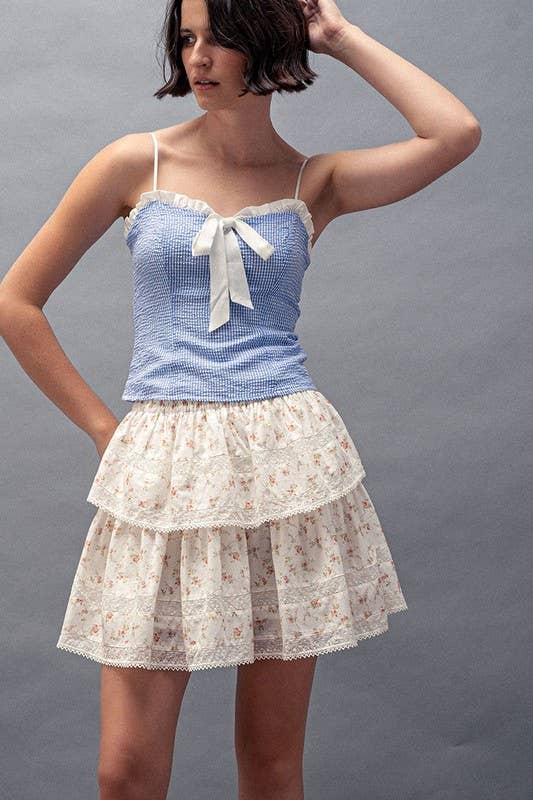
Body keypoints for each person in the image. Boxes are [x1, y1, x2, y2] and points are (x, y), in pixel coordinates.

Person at [0, 0, 481, 798]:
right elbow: (15, 302)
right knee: (125, 772)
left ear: (266, 40)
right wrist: (101, 427)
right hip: (163, 464)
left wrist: (338, 37)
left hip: (287, 463)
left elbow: (454, 133)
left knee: (270, 766)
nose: (197, 56)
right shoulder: (135, 162)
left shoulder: (315, 181)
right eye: (186, 37)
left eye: (220, 36)